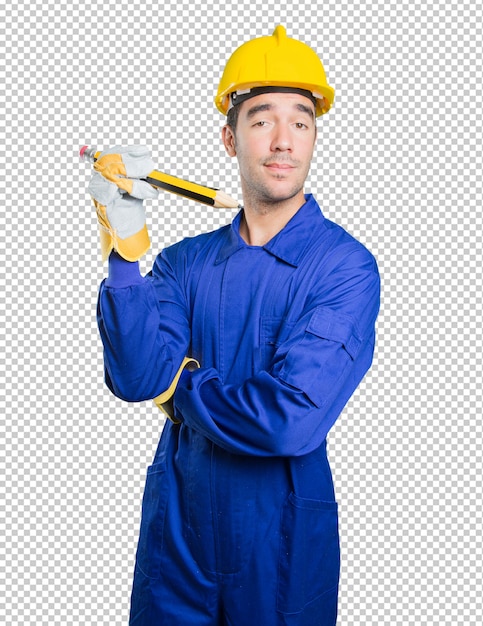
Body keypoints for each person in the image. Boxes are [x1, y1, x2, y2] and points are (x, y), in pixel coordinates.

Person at [89, 25, 380, 626]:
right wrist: (123, 254)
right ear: (229, 137)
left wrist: (182, 388)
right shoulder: (182, 261)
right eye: (260, 121)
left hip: (281, 545)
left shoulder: (344, 267)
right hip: (179, 536)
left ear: (315, 138)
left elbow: (290, 418)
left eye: (300, 122)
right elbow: (138, 375)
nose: (282, 141)